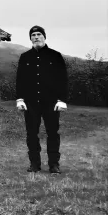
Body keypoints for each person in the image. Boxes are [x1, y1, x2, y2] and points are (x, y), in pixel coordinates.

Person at [15, 25, 68, 173]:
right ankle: (34, 164)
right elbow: (20, 80)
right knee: (31, 134)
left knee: (53, 133)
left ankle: (54, 164)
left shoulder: (55, 56)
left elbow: (62, 79)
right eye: (33, 35)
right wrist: (20, 99)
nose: (36, 37)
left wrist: (61, 100)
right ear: (30, 38)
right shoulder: (25, 57)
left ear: (44, 37)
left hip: (51, 102)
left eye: (39, 34)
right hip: (31, 103)